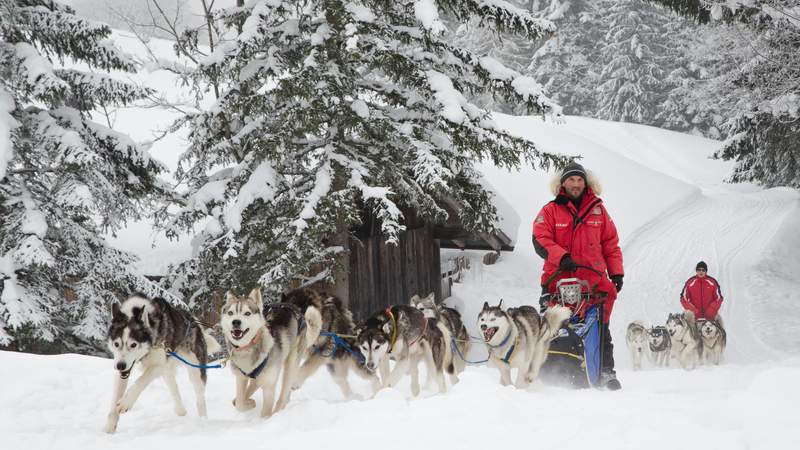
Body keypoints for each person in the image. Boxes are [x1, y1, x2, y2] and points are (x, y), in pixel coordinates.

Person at [532, 161, 624, 390]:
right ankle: (550, 371)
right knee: (554, 328)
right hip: (558, 281)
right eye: (571, 180)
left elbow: (611, 244)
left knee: (601, 327)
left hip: (594, 283)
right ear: (562, 183)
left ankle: (605, 372)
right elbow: (540, 238)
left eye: (579, 180)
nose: (575, 184)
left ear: (586, 182)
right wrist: (561, 256)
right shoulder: (550, 211)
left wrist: (616, 272)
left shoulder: (599, 211)